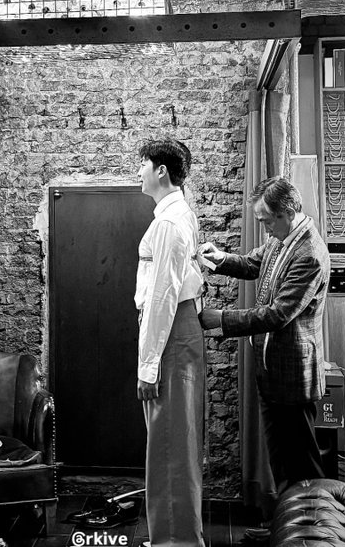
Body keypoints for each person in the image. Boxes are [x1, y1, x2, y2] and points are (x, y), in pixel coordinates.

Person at [199, 176, 330, 536]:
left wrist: (221, 319)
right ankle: (284, 530)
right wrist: (220, 259)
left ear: (288, 212)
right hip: (273, 370)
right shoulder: (282, 237)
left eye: (267, 221)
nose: (265, 229)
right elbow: (253, 263)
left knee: (302, 466)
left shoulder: (309, 254)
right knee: (282, 460)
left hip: (293, 374)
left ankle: (314, 535)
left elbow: (278, 314)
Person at [135, 137, 206, 547]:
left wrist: (148, 367)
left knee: (168, 444)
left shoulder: (167, 223)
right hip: (180, 331)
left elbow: (161, 298)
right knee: (178, 440)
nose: (139, 172)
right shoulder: (181, 214)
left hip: (171, 333)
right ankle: (177, 537)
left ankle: (175, 542)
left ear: (161, 170)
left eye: (143, 164)